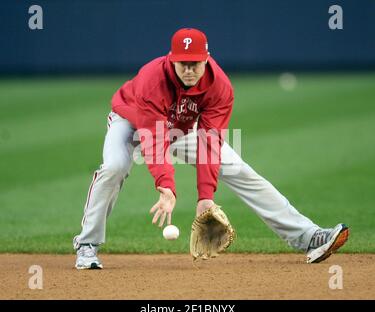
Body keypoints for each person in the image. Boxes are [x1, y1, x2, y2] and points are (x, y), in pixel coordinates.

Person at [73, 28, 349, 269]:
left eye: (195, 63)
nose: (190, 70)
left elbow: (209, 144)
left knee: (239, 169)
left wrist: (205, 198)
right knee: (114, 167)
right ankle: (87, 245)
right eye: (183, 64)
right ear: (171, 59)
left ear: (207, 58)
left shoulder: (220, 87)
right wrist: (166, 185)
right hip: (132, 121)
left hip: (180, 128)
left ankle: (309, 237)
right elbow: (153, 139)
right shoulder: (152, 80)